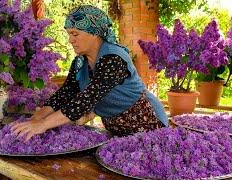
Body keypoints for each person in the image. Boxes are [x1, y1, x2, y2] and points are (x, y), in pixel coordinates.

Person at [11, 5, 168, 142]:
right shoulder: (80, 62)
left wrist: (43, 125)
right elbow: (65, 93)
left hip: (148, 122)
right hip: (118, 131)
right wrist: (37, 117)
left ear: (94, 33)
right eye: (68, 34)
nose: (70, 40)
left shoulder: (114, 58)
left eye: (75, 34)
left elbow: (87, 98)